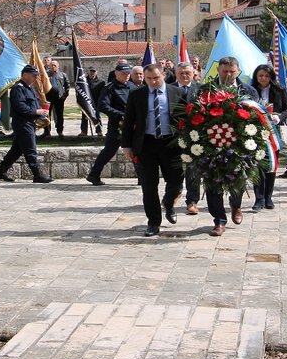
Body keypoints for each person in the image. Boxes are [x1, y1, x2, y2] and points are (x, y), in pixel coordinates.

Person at [121, 64, 185, 237]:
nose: (153, 82)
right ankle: (153, 222)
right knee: (149, 187)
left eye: (156, 78)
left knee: (176, 182)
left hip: (171, 144)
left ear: (163, 75)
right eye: (149, 78)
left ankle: (169, 202)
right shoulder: (137, 94)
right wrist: (126, 145)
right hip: (146, 144)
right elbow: (128, 121)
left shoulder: (178, 93)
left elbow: (187, 119)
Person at [201, 57, 259, 236]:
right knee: (213, 181)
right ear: (218, 70)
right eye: (224, 71)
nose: (227, 75)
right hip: (212, 143)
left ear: (237, 71)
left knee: (238, 177)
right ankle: (219, 220)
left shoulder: (248, 90)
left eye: (231, 72)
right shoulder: (206, 90)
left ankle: (236, 205)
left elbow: (257, 115)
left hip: (239, 143)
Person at [0, 65, 53, 183]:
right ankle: (37, 174)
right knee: (30, 148)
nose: (36, 78)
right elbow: (20, 106)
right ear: (25, 75)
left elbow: (32, 104)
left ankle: (0, 172)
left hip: (29, 121)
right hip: (22, 122)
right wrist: (36, 111)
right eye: (33, 75)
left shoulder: (29, 88)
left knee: (16, 150)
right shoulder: (18, 88)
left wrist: (40, 112)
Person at [250, 64, 287, 210]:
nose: (263, 78)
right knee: (257, 165)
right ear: (256, 76)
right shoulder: (250, 90)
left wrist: (279, 117)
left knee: (271, 165)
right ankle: (258, 198)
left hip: (273, 132)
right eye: (260, 75)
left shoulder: (279, 90)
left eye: (267, 76)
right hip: (254, 132)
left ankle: (268, 197)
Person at [85, 63, 132, 186]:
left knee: (137, 150)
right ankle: (94, 175)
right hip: (117, 126)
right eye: (123, 74)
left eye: (128, 73)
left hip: (133, 125)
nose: (126, 76)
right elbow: (103, 106)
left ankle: (142, 178)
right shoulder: (109, 88)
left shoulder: (133, 87)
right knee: (109, 151)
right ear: (116, 73)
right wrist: (121, 115)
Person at [171, 62, 202, 214]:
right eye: (181, 73)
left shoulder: (201, 89)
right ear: (176, 74)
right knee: (174, 168)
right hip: (172, 135)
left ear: (193, 74)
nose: (184, 76)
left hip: (194, 135)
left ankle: (192, 201)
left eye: (187, 73)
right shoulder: (168, 89)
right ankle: (174, 193)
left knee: (193, 168)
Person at [42, 60, 70, 138]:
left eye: (55, 65)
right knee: (46, 115)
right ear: (49, 66)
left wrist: (64, 96)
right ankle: (47, 132)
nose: (53, 66)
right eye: (52, 65)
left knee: (59, 115)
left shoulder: (63, 75)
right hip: (48, 99)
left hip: (59, 99)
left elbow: (67, 86)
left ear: (58, 66)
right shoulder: (46, 75)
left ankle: (60, 131)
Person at [79, 66, 104, 137]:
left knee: (97, 117)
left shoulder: (101, 82)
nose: (92, 72)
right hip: (86, 102)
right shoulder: (83, 81)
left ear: (96, 72)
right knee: (84, 117)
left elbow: (102, 93)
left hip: (96, 102)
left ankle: (99, 131)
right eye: (91, 71)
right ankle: (83, 131)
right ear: (88, 72)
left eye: (94, 71)